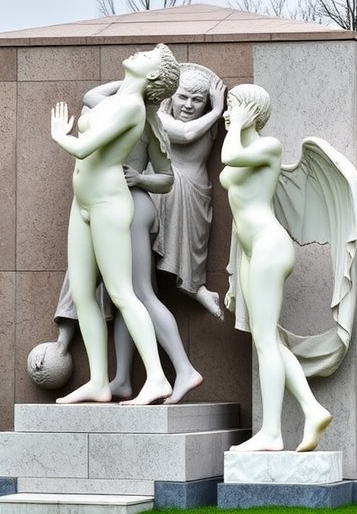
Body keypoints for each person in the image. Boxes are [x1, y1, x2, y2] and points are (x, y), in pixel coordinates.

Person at [49, 44, 179, 406]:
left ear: (153, 75)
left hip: (108, 201)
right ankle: (97, 381)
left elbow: (83, 148)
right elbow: (94, 97)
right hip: (84, 202)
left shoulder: (132, 107)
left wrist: (61, 134)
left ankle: (156, 377)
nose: (139, 53)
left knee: (122, 292)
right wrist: (127, 80)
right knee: (81, 293)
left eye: (148, 56)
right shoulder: (114, 100)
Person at [219, 84, 332, 452]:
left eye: (232, 107)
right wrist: (234, 273)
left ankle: (271, 433)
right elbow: (237, 218)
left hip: (270, 245)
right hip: (252, 251)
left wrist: (236, 125)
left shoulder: (268, 147)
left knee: (265, 339)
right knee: (267, 339)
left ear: (250, 110)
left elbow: (229, 156)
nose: (226, 113)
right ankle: (312, 410)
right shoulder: (243, 148)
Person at [153, 63, 227, 318]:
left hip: (198, 194)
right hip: (165, 193)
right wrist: (217, 109)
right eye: (183, 97)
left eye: (197, 100)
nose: (188, 105)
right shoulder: (160, 118)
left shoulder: (208, 121)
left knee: (194, 253)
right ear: (170, 95)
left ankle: (196, 287)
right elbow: (185, 134)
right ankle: (194, 290)